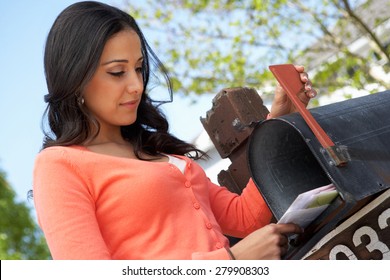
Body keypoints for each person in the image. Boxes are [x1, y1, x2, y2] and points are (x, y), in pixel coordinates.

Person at [33, 1, 317, 260]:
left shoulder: (161, 153)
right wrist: (231, 261)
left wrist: (279, 117)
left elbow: (245, 217)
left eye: (139, 68)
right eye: (118, 72)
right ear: (75, 78)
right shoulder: (59, 166)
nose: (136, 85)